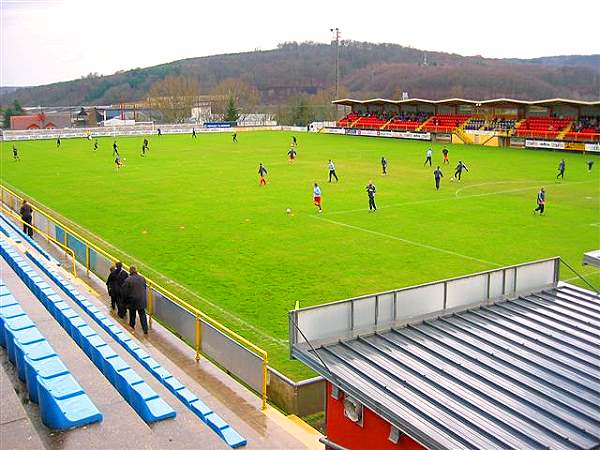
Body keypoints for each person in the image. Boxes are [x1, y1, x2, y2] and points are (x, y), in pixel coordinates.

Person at [121, 266, 148, 334]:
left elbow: (125, 292)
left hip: (132, 300)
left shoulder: (128, 280)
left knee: (132, 315)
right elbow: (144, 287)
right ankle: (145, 329)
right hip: (141, 300)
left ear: (130, 271)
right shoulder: (142, 278)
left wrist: (124, 301)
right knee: (142, 315)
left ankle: (131, 328)